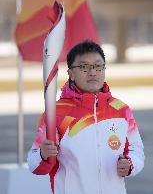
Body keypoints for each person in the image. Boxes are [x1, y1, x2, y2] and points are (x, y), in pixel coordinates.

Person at [27, 40, 145, 194]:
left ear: (104, 69)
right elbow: (35, 165)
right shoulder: (56, 113)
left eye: (98, 66)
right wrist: (43, 155)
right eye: (84, 67)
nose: (92, 72)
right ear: (71, 74)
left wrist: (130, 164)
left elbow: (137, 150)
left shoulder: (121, 110)